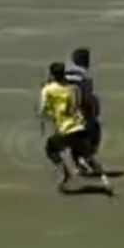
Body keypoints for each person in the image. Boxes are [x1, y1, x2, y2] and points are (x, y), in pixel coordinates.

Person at [40, 61, 111, 194]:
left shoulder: (48, 90)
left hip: (65, 129)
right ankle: (104, 179)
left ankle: (64, 172)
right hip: (79, 127)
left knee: (50, 149)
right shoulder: (71, 89)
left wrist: (47, 120)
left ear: (52, 75)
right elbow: (76, 104)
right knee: (89, 157)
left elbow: (44, 110)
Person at [65, 47, 102, 165]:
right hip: (80, 111)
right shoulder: (84, 76)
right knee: (92, 131)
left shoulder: (65, 73)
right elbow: (85, 97)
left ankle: (80, 161)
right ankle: (86, 158)